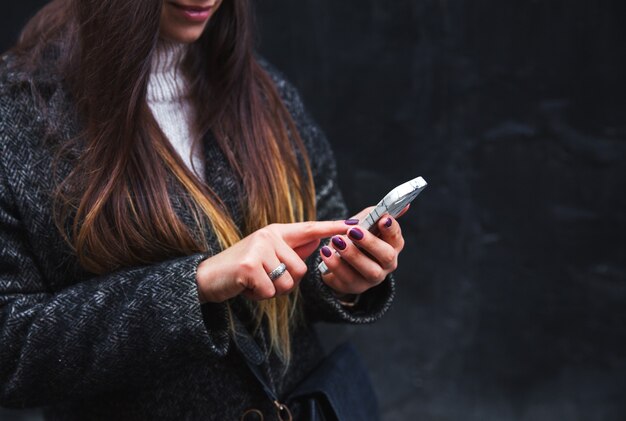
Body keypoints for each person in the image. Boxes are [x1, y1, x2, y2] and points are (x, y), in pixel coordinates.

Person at [0, 0, 406, 419]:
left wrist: (343, 273)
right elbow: (10, 350)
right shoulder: (17, 112)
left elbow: (320, 225)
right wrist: (196, 285)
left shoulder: (262, 89)